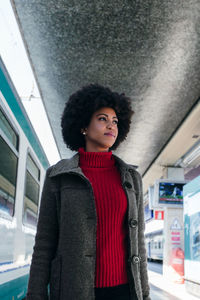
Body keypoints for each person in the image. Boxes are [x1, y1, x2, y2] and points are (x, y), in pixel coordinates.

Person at [26, 84, 151, 300]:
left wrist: (145, 296)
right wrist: (35, 295)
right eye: (102, 119)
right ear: (83, 126)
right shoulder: (58, 176)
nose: (111, 126)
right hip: (73, 290)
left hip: (125, 292)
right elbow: (45, 244)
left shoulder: (131, 178)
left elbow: (138, 243)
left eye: (115, 121)